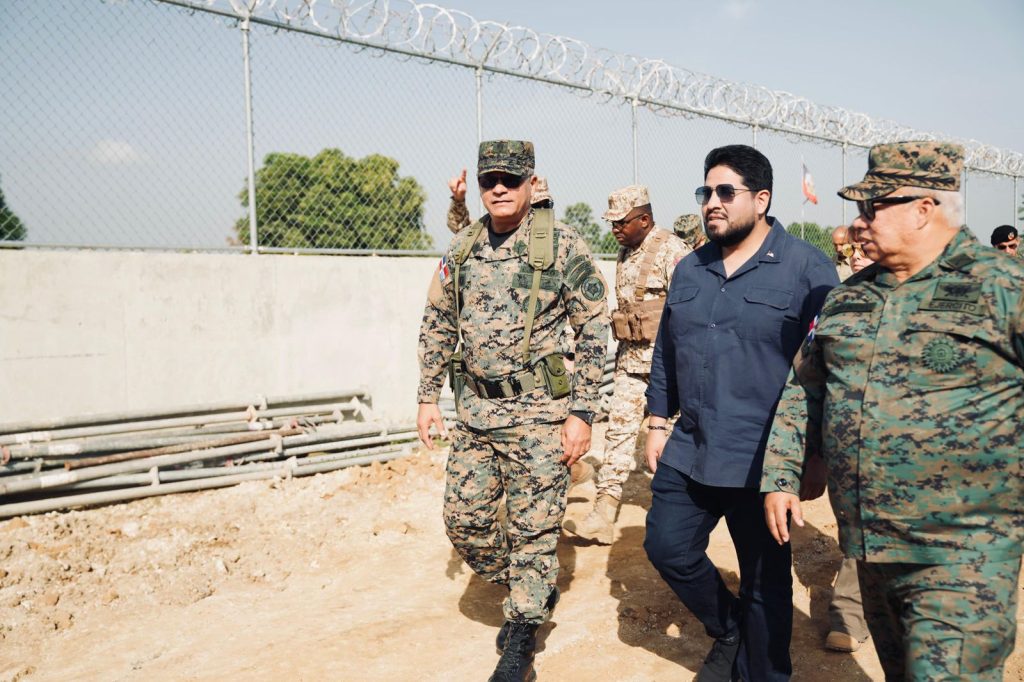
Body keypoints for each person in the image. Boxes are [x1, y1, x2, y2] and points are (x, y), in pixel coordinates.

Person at [763, 141, 1024, 681]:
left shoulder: (1002, 287)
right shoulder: (847, 299)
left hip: (963, 553)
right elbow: (804, 389)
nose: (858, 223)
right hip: (870, 546)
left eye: (872, 207)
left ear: (923, 209)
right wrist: (782, 473)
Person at [643, 144, 838, 682]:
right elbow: (666, 350)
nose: (712, 202)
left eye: (726, 192)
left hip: (764, 457)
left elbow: (828, 370)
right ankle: (728, 629)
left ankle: (764, 671)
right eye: (705, 192)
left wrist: (815, 456)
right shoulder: (691, 268)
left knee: (764, 581)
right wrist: (658, 420)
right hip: (693, 444)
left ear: (762, 199)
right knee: (667, 546)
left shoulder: (807, 269)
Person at [417, 140, 609, 682]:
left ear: (529, 182)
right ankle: (532, 585)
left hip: (538, 418)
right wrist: (427, 396)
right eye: (489, 180)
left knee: (534, 529)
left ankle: (522, 635)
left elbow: (594, 329)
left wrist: (582, 413)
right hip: (476, 415)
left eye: (509, 179)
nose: (498, 188)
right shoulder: (463, 247)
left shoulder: (560, 244)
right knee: (465, 522)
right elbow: (437, 323)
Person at [564, 185, 691, 544]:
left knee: (673, 442)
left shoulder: (673, 251)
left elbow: (688, 310)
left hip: (669, 368)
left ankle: (679, 514)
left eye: (621, 222)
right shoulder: (625, 252)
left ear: (645, 219)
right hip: (630, 363)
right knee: (618, 434)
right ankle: (603, 515)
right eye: (612, 223)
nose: (615, 229)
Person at [447, 168, 553, 233]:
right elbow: (460, 227)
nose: (499, 190)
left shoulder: (556, 239)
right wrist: (458, 199)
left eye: (511, 181)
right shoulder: (479, 233)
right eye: (488, 181)